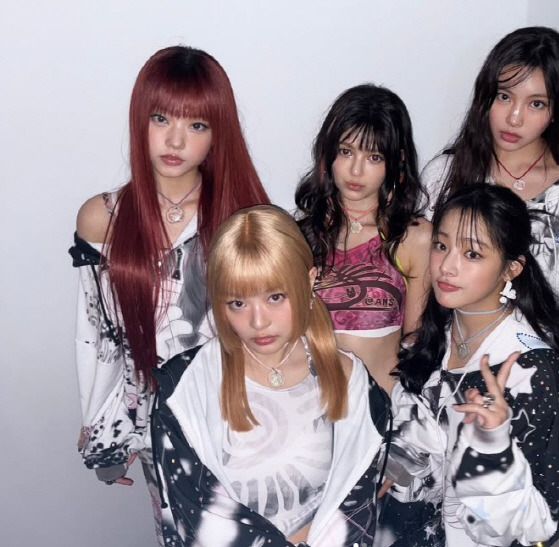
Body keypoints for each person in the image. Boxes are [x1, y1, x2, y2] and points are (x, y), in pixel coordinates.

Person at [69, 45, 269, 543]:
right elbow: (99, 338)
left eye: (197, 125)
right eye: (161, 118)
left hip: (246, 421)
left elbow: (272, 331)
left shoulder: (245, 218)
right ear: (140, 119)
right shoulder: (103, 218)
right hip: (161, 430)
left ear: (218, 134)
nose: (175, 140)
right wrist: (105, 433)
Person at [376, 185, 559, 546]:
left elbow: (530, 523)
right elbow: (426, 438)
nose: (447, 266)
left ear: (511, 268)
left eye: (472, 253)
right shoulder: (437, 333)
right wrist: (398, 463)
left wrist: (492, 445)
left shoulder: (533, 370)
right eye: (441, 246)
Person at [421, 26, 559, 446]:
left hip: (539, 389)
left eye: (536, 103)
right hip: (447, 379)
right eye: (504, 97)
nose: (514, 118)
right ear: (485, 96)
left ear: (556, 111)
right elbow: (418, 279)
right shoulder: (446, 175)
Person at [151, 205, 390, 546]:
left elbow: (356, 504)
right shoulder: (184, 388)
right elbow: (194, 513)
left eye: (275, 297)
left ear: (309, 280)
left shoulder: (351, 380)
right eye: (237, 303)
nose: (258, 321)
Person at [295, 84, 432, 393]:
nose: (356, 170)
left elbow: (416, 342)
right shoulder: (299, 235)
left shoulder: (413, 237)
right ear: (328, 152)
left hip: (380, 406)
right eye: (346, 151)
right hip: (307, 404)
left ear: (396, 161)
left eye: (374, 157)